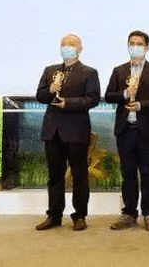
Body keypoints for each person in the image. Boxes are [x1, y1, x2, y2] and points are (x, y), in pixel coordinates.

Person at [35, 33, 100, 231]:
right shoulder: (50, 70)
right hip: (52, 131)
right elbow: (40, 95)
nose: (67, 47)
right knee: (55, 175)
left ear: (80, 49)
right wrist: (50, 90)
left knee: (79, 174)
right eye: (64, 44)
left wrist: (68, 103)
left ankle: (79, 216)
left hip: (76, 130)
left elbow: (93, 99)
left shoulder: (89, 72)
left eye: (72, 44)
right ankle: (54, 215)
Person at [105, 30, 149, 232]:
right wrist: (125, 93)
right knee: (128, 173)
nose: (135, 46)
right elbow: (109, 95)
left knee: (148, 174)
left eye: (139, 43)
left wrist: (141, 105)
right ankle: (129, 213)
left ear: (147, 47)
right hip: (125, 130)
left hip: (146, 130)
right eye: (132, 43)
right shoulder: (119, 70)